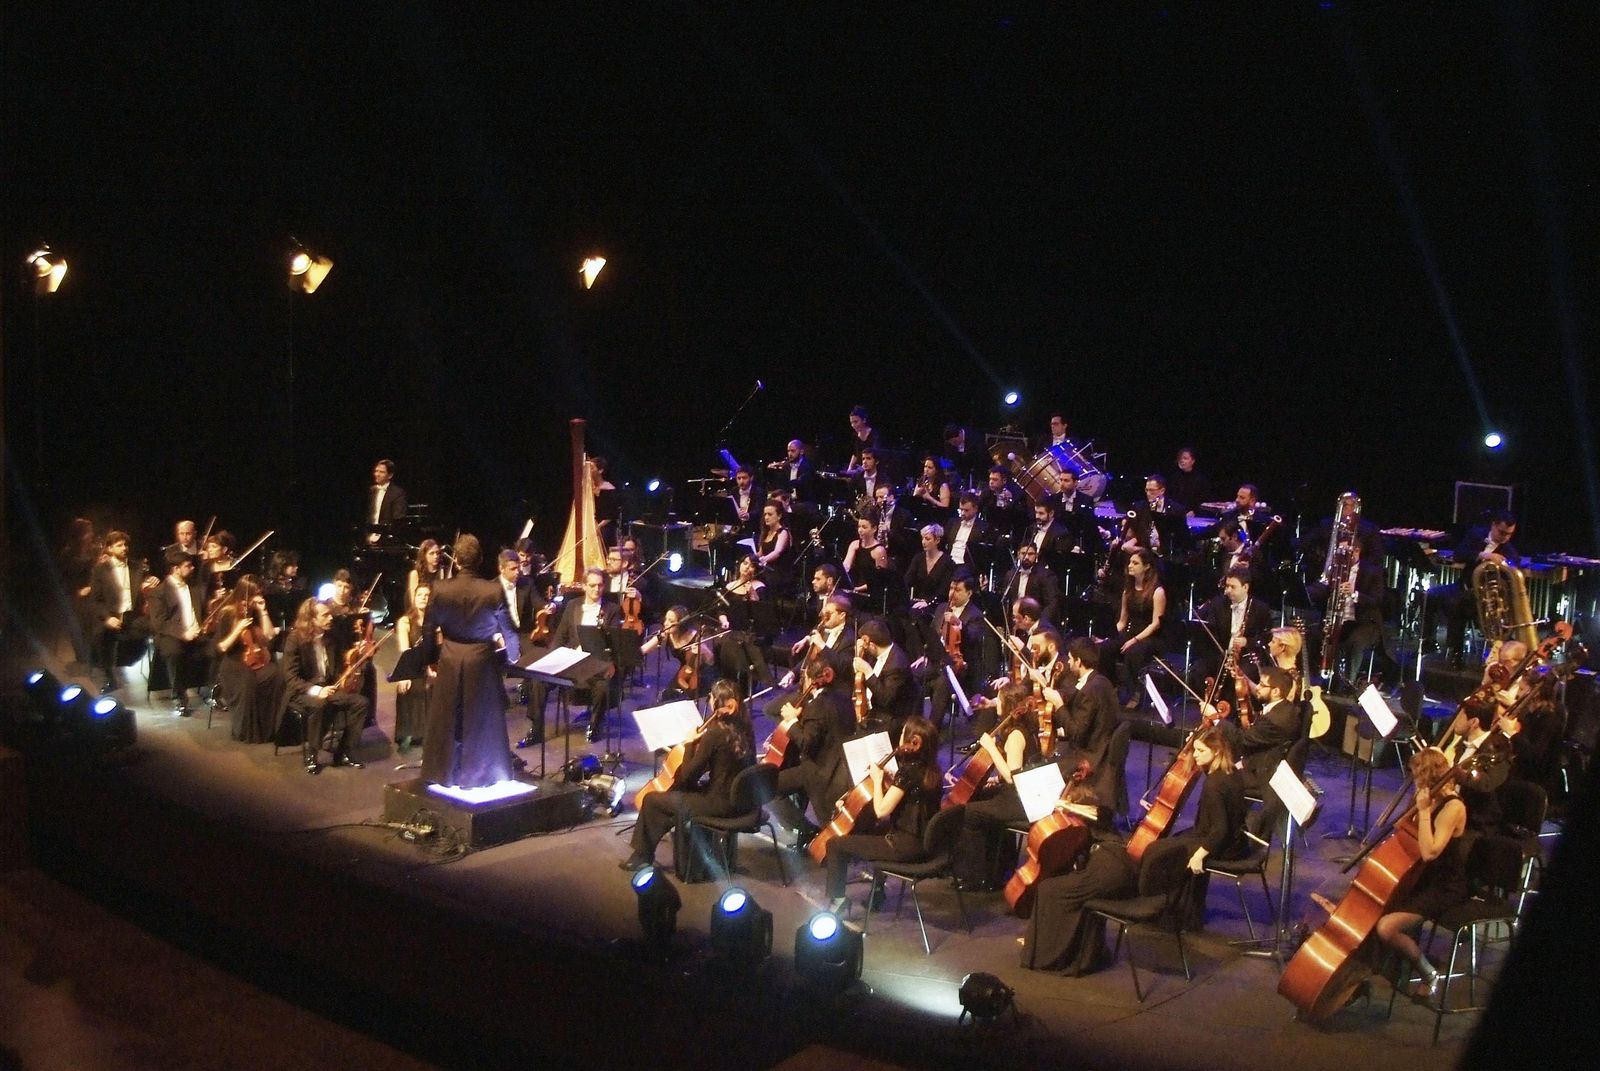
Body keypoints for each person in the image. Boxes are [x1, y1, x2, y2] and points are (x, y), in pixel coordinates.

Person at [622, 679, 756, 871]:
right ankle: (668, 834)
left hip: (720, 805)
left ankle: (642, 856)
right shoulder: (746, 728)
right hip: (742, 801)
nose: (709, 700)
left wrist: (690, 744)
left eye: (712, 697)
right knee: (674, 801)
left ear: (723, 704)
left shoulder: (714, 734)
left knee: (653, 800)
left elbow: (687, 776)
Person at [1372, 747, 1470, 1001]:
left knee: (1386, 927)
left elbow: (1430, 852)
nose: (1414, 781)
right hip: (1421, 877)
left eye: (1417, 775)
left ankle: (1429, 973)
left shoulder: (1453, 807)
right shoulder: (1428, 797)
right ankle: (1375, 971)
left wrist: (1424, 813)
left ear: (1427, 776)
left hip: (1445, 886)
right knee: (1373, 910)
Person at [419, 535, 518, 787]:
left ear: (457, 559)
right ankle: (482, 775)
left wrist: (429, 660)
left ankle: (444, 773)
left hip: (450, 659)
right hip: (481, 662)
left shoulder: (440, 588)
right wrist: (511, 659)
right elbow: (509, 630)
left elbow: (428, 629)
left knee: (447, 719)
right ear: (480, 559)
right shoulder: (492, 589)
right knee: (482, 722)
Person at [821, 715, 944, 916]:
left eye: (903, 733)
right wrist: (888, 781)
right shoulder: (932, 770)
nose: (900, 735)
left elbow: (881, 811)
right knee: (875, 830)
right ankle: (877, 892)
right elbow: (907, 801)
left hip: (906, 846)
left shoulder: (907, 773)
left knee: (835, 844)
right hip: (926, 843)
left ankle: (838, 900)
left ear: (914, 742)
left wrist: (878, 780)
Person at [1019, 768, 1136, 975]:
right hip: (1111, 867)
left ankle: (1050, 955)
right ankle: (1042, 944)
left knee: (1050, 890)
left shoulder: (1096, 814)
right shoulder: (1084, 819)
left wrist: (1065, 805)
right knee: (1053, 888)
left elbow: (1099, 812)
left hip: (1108, 871)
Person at [1135, 727, 1248, 928]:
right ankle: (1182, 910)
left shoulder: (1214, 785)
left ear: (1217, 752)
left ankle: (1170, 914)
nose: (1195, 755)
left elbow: (1219, 830)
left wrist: (1199, 855)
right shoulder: (1231, 773)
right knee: (1170, 843)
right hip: (1235, 840)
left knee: (1157, 851)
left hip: (1222, 844)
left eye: (1201, 751)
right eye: (1195, 750)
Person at [951, 681, 1047, 890]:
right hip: (1025, 794)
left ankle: (977, 876)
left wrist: (991, 749)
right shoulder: (1028, 728)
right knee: (980, 797)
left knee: (969, 812)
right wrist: (997, 779)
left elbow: (1014, 777)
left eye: (1000, 700)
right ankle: (998, 868)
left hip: (1019, 800)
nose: (997, 703)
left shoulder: (1014, 736)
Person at [768, 658, 855, 849]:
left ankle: (806, 829)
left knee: (768, 789)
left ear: (811, 679)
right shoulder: (844, 698)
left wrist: (791, 722)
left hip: (817, 771)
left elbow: (807, 744)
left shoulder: (817, 706)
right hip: (840, 769)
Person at [281, 598, 371, 773]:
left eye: (330, 614)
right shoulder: (295, 639)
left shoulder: (331, 636)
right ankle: (312, 754)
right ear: (312, 619)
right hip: (302, 691)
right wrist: (317, 690)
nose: (330, 618)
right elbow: (291, 678)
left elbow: (337, 668)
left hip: (328, 688)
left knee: (361, 702)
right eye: (325, 615)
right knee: (319, 704)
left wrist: (346, 677)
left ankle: (344, 750)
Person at [544, 566, 622, 742]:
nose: (597, 589)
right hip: (573, 660)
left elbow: (614, 643)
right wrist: (551, 660)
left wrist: (609, 663)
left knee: (602, 686)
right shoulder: (572, 606)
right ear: (584, 586)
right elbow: (560, 636)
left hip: (596, 662)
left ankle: (594, 726)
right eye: (592, 585)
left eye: (600, 585)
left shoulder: (612, 609)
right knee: (538, 681)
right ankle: (536, 727)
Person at [210, 575, 287, 744]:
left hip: (256, 658)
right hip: (234, 662)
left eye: (259, 593)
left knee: (277, 675)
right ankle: (248, 732)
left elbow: (267, 637)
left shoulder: (256, 609)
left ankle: (270, 729)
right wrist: (237, 630)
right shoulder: (228, 613)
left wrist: (263, 611)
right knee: (248, 682)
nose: (258, 597)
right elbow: (221, 647)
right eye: (254, 594)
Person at [1052, 637, 1122, 805]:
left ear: (1079, 662)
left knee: (1041, 769)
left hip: (1089, 757)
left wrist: (1059, 705)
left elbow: (1076, 733)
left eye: (1070, 659)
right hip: (1101, 748)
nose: (1068, 663)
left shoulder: (1089, 691)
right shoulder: (1102, 681)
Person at [87, 530, 156, 692]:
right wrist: (107, 618)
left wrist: (151, 583)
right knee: (102, 635)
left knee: (159, 628)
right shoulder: (100, 570)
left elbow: (148, 587)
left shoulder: (137, 566)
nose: (124, 548)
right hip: (112, 616)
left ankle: (158, 678)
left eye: (125, 545)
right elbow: (95, 601)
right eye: (119, 545)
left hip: (133, 616)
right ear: (110, 549)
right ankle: (109, 678)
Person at [1101, 548, 1168, 710]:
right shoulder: (1128, 590)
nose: (1130, 565)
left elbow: (1155, 624)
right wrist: (1109, 637)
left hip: (1151, 637)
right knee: (1106, 648)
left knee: (1134, 652)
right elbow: (1122, 621)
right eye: (1130, 562)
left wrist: (1134, 640)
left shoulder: (1157, 591)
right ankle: (1113, 688)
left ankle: (1136, 693)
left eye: (1135, 563)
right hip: (1131, 632)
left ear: (1146, 567)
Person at [148, 546, 208, 716]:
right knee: (174, 652)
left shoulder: (194, 588)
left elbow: (202, 612)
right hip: (171, 635)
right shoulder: (158, 592)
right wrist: (183, 633)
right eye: (188, 566)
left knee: (218, 647)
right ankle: (179, 696)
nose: (192, 568)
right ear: (175, 569)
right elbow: (159, 623)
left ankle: (213, 692)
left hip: (196, 632)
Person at [852, 617, 918, 737]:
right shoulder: (874, 653)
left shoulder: (897, 664)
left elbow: (885, 699)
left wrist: (868, 672)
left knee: (852, 739)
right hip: (871, 709)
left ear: (872, 645)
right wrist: (858, 655)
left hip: (890, 717)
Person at [393, 581, 433, 753]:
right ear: (414, 598)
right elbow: (405, 650)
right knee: (411, 686)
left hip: (429, 665)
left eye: (426, 595)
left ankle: (431, 731)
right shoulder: (405, 621)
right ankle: (410, 732)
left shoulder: (435, 622)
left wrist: (432, 668)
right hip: (412, 665)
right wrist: (405, 674)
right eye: (420, 595)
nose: (423, 598)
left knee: (435, 684)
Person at [640, 605, 711, 703]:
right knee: (668, 696)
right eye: (666, 619)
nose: (666, 624)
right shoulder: (666, 634)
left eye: (671, 621)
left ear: (681, 624)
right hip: (684, 671)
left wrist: (704, 650)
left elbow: (711, 660)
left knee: (690, 699)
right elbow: (644, 649)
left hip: (701, 674)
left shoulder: (696, 636)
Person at [755, 499, 795, 593]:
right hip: (766, 570)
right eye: (765, 514)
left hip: (778, 572)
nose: (766, 517)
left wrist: (763, 560)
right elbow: (760, 553)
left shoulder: (783, 532)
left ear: (779, 516)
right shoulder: (765, 533)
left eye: (770, 514)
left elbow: (777, 552)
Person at [408, 539, 445, 613]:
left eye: (437, 553)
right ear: (424, 555)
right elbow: (413, 601)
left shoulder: (442, 571)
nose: (436, 556)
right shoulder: (415, 574)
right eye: (432, 553)